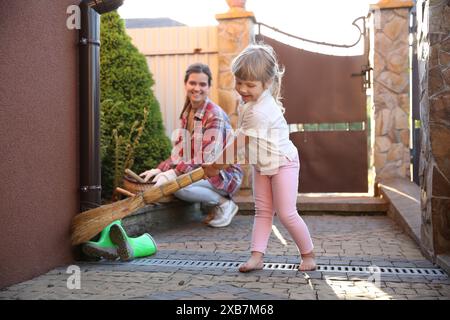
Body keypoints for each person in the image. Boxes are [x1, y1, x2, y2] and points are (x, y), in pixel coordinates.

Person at [206, 43, 316, 272]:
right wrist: (216, 162)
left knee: (286, 213)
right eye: (239, 82)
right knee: (263, 211)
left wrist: (216, 166)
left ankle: (308, 255)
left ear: (266, 84)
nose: (243, 89)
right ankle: (257, 257)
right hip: (262, 165)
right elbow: (238, 136)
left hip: (283, 164)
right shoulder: (248, 103)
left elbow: (238, 143)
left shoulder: (259, 111)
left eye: (250, 85)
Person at [140, 63, 243, 228]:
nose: (197, 88)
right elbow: (181, 151)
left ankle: (224, 203)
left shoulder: (214, 115)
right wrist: (161, 169)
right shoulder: (188, 112)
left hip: (224, 173)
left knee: (179, 186)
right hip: (203, 170)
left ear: (209, 87)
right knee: (171, 180)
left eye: (203, 84)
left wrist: (173, 172)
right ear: (186, 84)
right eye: (193, 83)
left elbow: (205, 156)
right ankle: (216, 204)